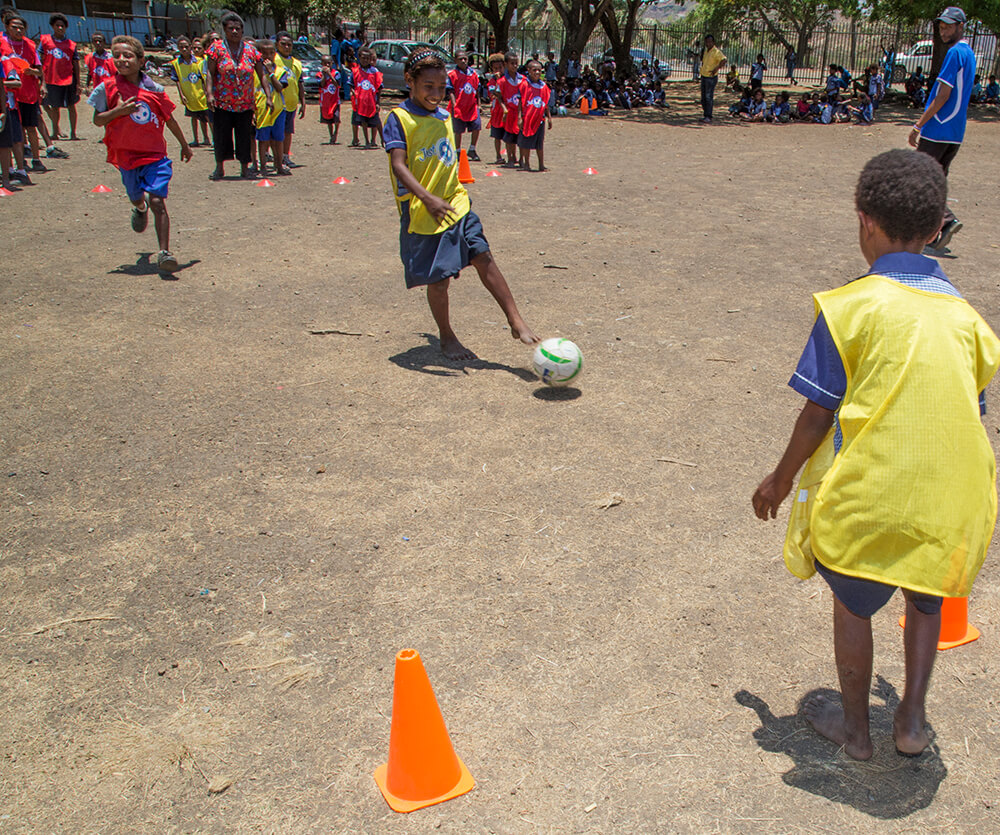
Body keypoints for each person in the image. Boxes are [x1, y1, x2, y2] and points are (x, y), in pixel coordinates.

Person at [753, 148, 1000, 762]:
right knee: (925, 597)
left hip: (872, 498)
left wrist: (779, 481)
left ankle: (858, 733)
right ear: (940, 225)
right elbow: (967, 414)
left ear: (864, 219)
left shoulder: (850, 309)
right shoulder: (968, 321)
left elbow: (817, 413)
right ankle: (911, 723)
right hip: (950, 501)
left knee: (854, 606)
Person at [383, 49, 539, 362]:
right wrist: (427, 198)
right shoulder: (399, 119)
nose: (436, 94)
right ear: (410, 81)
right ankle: (447, 336)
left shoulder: (444, 115)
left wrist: (446, 194)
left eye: (442, 88)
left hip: (456, 201)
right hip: (423, 210)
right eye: (429, 87)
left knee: (483, 255)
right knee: (439, 281)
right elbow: (399, 165)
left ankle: (515, 319)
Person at [88, 35, 192, 272]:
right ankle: (139, 207)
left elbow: (170, 119)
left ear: (141, 60)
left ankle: (165, 252)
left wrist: (184, 145)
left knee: (158, 200)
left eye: (128, 55)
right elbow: (97, 120)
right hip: (126, 155)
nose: (122, 60)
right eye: (117, 56)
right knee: (138, 197)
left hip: (155, 155)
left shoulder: (154, 89)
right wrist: (118, 111)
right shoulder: (107, 88)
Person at [909, 6, 975, 251]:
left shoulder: (954, 54)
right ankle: (934, 231)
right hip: (955, 132)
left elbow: (943, 95)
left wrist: (918, 125)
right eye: (941, 26)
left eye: (948, 26)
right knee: (935, 180)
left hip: (939, 129)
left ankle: (946, 221)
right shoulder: (969, 54)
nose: (943, 30)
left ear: (960, 26)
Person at [205, 11, 271, 180]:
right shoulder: (216, 49)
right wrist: (209, 94)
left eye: (238, 28)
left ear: (242, 30)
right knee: (221, 135)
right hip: (223, 102)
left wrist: (268, 96)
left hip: (245, 103)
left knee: (244, 136)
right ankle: (219, 168)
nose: (234, 31)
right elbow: (210, 73)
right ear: (225, 30)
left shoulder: (251, 50)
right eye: (230, 28)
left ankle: (245, 168)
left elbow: (262, 74)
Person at [3, 13, 65, 169]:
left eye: (21, 28)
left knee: (32, 126)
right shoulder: (2, 44)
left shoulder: (30, 45)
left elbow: (39, 70)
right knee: (17, 129)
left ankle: (36, 160)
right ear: (7, 28)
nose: (18, 30)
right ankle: (20, 163)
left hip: (29, 93)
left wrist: (38, 79)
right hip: (9, 94)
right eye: (14, 27)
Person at [251, 39, 289, 176]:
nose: (268, 56)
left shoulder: (280, 71)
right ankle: (263, 167)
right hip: (261, 110)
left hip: (278, 110)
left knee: (278, 139)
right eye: (264, 53)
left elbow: (279, 88)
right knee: (263, 139)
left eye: (271, 52)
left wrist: (271, 73)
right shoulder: (255, 72)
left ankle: (279, 165)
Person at [39, 13, 80, 140]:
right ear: (52, 26)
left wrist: (78, 82)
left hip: (68, 79)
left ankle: (73, 133)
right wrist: (41, 81)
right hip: (51, 78)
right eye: (57, 25)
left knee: (71, 106)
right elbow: (39, 60)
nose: (60, 28)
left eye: (62, 26)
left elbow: (76, 64)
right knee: (54, 107)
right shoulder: (45, 41)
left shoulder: (71, 44)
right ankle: (55, 132)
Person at [168, 35, 211, 147]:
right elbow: (177, 80)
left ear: (190, 47)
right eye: (181, 47)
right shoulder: (176, 64)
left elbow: (204, 78)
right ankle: (196, 139)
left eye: (186, 46)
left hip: (201, 94)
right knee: (194, 117)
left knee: (207, 118)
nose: (184, 49)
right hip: (189, 95)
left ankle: (209, 139)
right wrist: (181, 95)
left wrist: (207, 92)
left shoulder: (200, 62)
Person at [274, 32, 304, 168]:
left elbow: (300, 82)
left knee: (288, 131)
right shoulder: (273, 59)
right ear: (277, 44)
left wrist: (303, 102)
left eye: (289, 45)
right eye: (283, 44)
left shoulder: (296, 63)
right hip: (277, 103)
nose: (286, 47)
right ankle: (275, 157)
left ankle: (285, 156)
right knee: (275, 132)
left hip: (291, 103)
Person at [517, 58, 550, 171]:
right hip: (528, 118)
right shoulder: (524, 85)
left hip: (540, 119)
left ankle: (541, 165)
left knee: (539, 143)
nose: (537, 73)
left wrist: (549, 118)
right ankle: (526, 163)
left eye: (539, 71)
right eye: (534, 70)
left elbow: (545, 103)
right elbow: (520, 102)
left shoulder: (544, 86)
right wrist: (520, 117)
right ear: (529, 70)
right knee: (526, 142)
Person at [447, 49, 481, 160]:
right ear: (455, 60)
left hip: (471, 105)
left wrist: (479, 105)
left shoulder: (473, 74)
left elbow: (477, 90)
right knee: (458, 130)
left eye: (465, 59)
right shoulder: (453, 75)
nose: (463, 61)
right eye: (460, 59)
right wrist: (454, 104)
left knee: (477, 126)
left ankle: (472, 149)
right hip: (459, 106)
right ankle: (457, 151)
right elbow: (450, 90)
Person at [496, 51, 526, 166]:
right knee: (509, 138)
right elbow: (499, 97)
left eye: (516, 63)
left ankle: (522, 159)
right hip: (509, 114)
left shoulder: (523, 80)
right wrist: (504, 109)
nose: (514, 66)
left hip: (520, 113)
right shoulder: (502, 81)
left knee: (521, 137)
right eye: (512, 63)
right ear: (506, 64)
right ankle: (510, 158)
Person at [350, 46, 382, 148]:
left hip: (372, 102)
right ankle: (366, 141)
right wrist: (352, 92)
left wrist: (378, 102)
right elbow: (351, 84)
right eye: (363, 58)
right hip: (360, 102)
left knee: (376, 121)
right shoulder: (355, 71)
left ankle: (381, 140)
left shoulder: (374, 72)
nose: (365, 60)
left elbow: (379, 88)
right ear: (359, 57)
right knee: (362, 121)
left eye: (367, 58)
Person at [698, 34, 726, 123]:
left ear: (713, 42)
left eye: (710, 41)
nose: (708, 43)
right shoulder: (706, 51)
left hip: (711, 77)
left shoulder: (716, 52)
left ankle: (708, 116)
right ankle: (705, 113)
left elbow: (724, 60)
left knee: (708, 96)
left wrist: (716, 68)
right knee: (703, 97)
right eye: (707, 42)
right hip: (704, 76)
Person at [486, 52, 505, 163]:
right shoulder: (492, 82)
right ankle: (498, 156)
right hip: (497, 112)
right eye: (495, 68)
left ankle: (512, 156)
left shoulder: (508, 79)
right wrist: (498, 81)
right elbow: (494, 94)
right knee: (497, 136)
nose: (498, 70)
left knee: (509, 135)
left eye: (500, 67)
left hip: (507, 111)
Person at [318, 55, 341, 144]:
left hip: (335, 100)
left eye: (329, 63)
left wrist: (330, 75)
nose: (327, 65)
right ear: (321, 64)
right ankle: (331, 134)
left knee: (336, 118)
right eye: (325, 63)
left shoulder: (336, 73)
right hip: (325, 101)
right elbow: (321, 84)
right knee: (328, 119)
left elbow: (337, 84)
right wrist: (324, 75)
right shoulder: (319, 75)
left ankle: (336, 132)